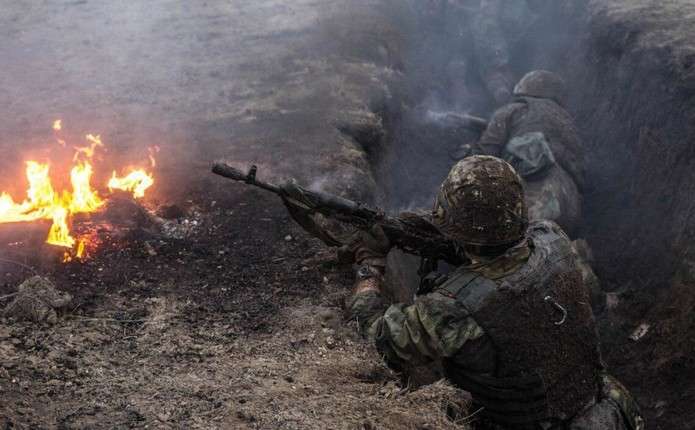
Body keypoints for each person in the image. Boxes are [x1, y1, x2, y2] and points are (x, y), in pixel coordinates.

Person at [347, 156, 643, 429]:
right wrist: (412, 228)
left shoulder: (456, 309)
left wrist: (369, 265)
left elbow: (375, 333)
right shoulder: (553, 239)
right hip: (609, 412)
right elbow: (496, 243)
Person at [460, 70, 584, 236]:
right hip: (571, 205)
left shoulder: (514, 109)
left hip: (534, 199)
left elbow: (485, 154)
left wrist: (468, 152)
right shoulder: (568, 123)